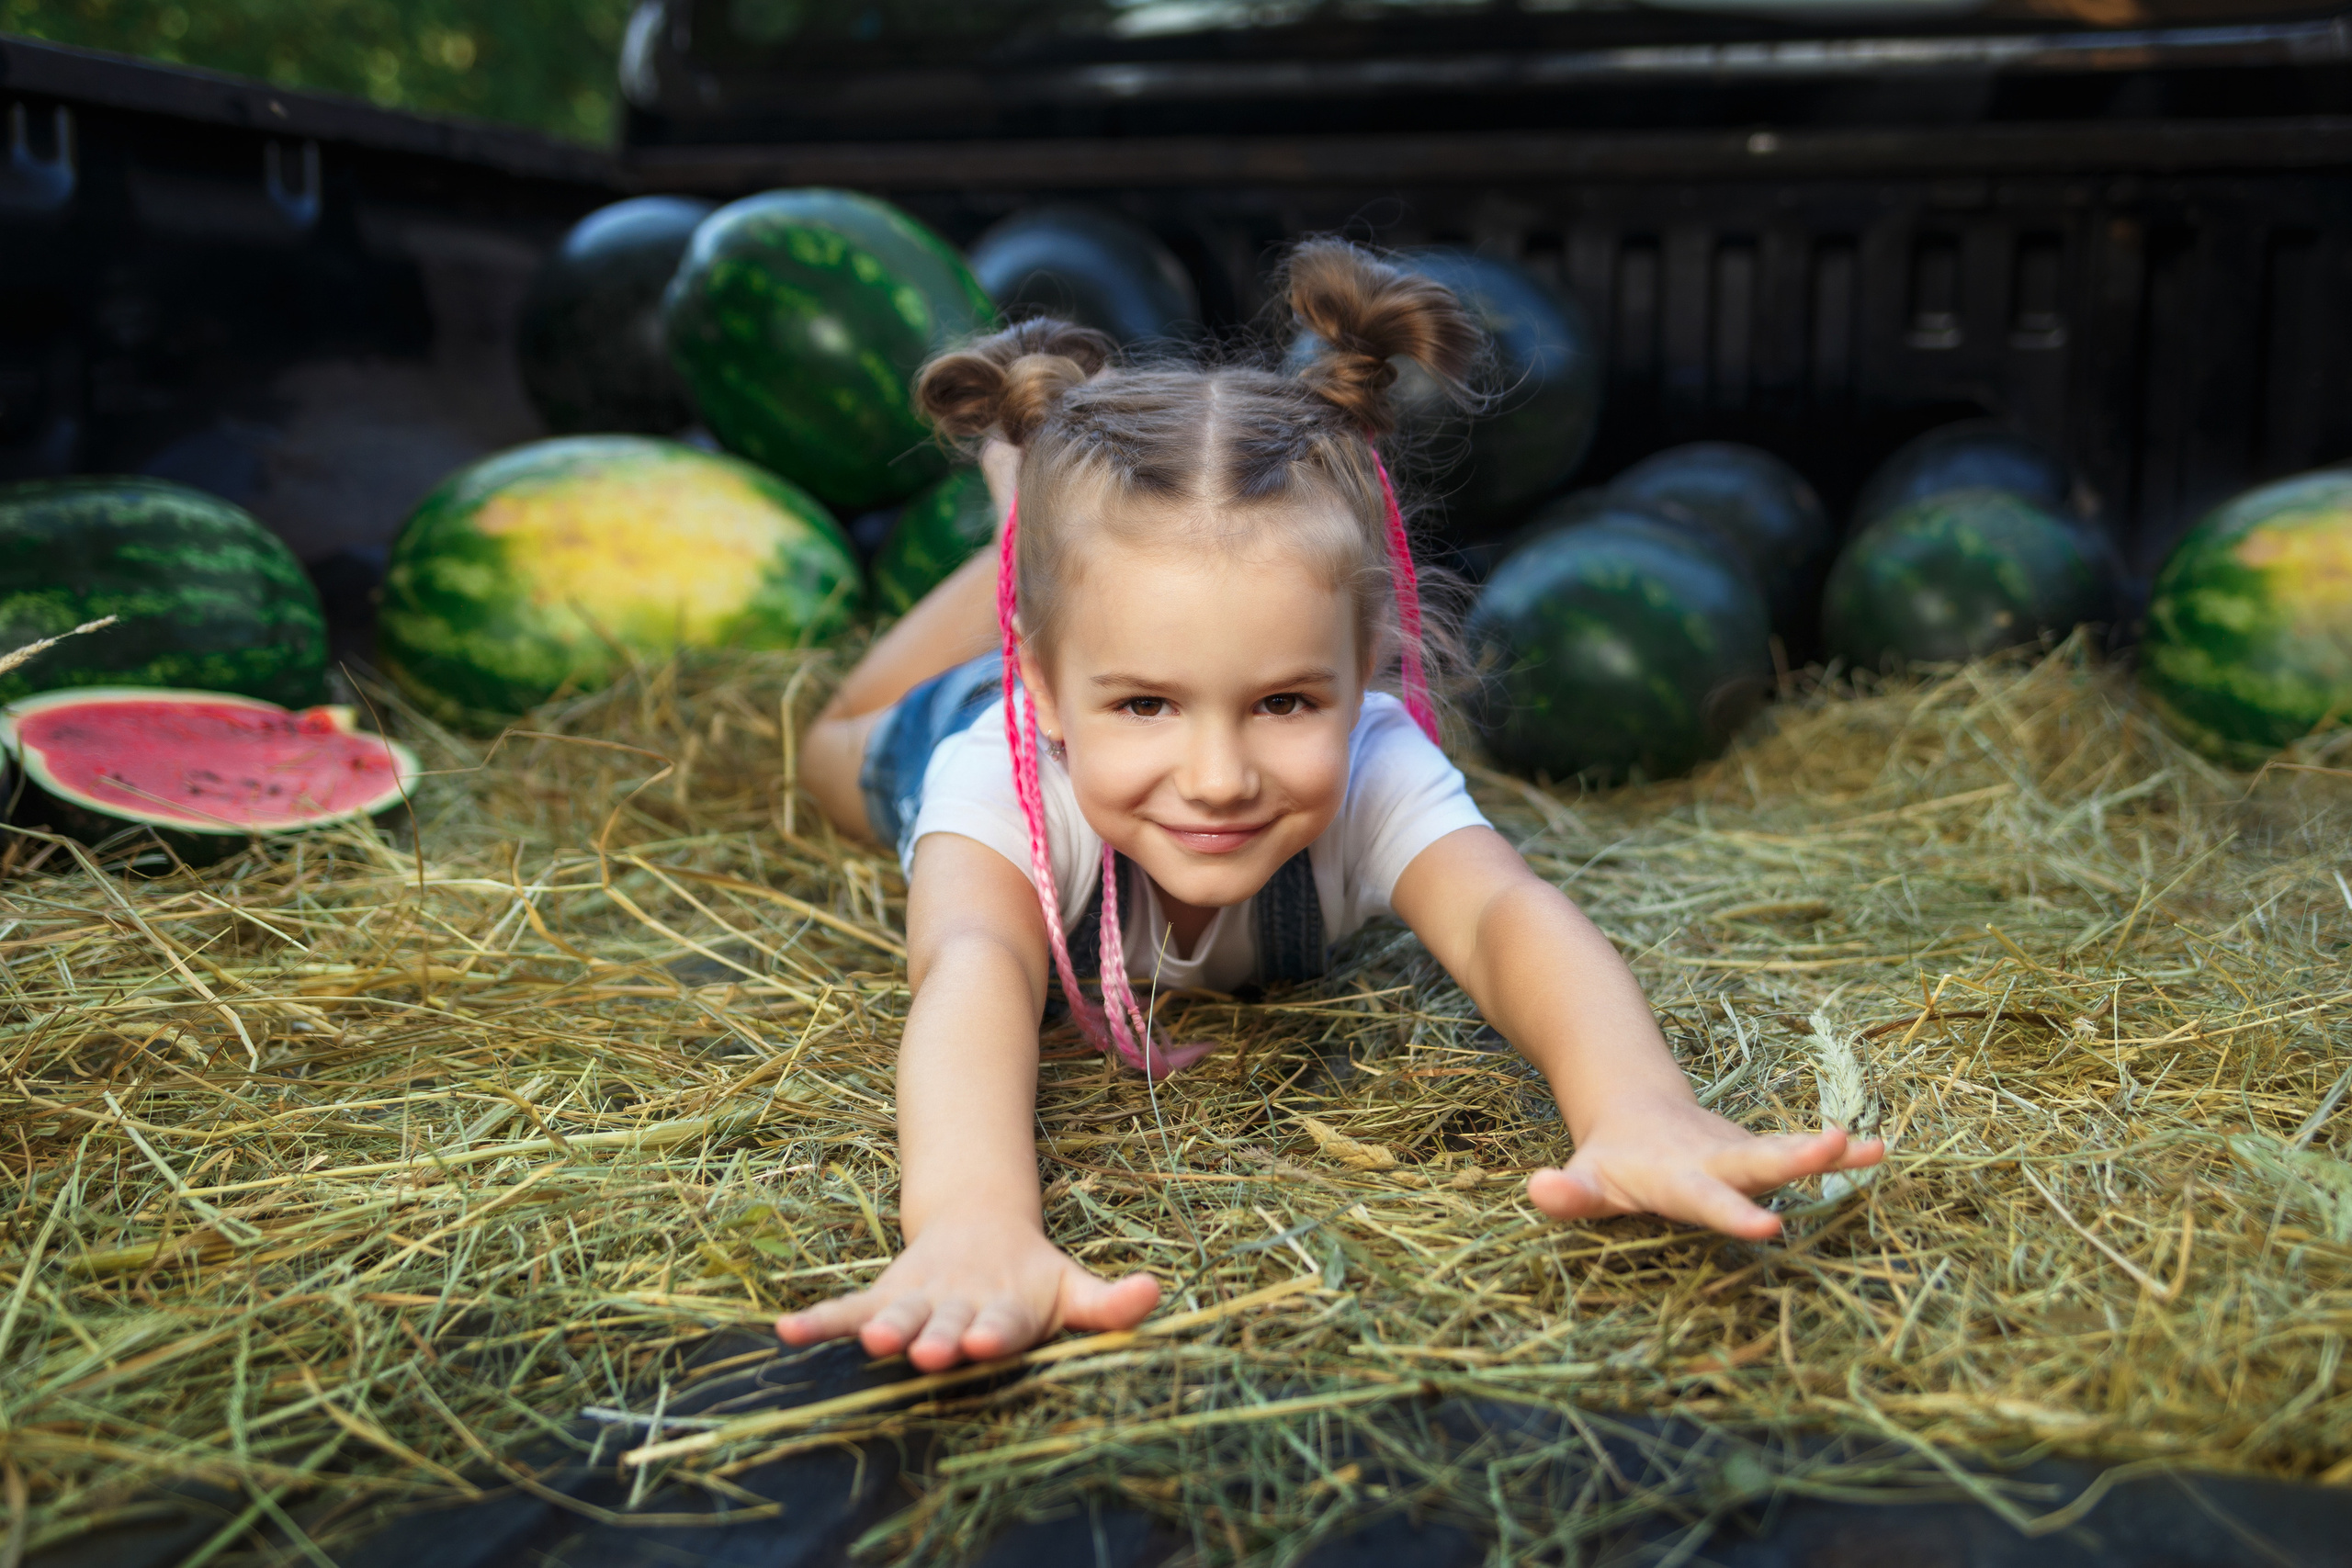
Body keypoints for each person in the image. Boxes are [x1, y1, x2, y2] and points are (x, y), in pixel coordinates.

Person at [782, 240, 1883, 1372]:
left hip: (1086, 668)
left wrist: (1635, 1105)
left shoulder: (1372, 756)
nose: (1218, 776)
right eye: (1150, 703)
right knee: (824, 746)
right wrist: (972, 1224)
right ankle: (1026, 537)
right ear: (1054, 691)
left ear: (1365, 671)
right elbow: (974, 971)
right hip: (967, 720)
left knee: (1131, 617)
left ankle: (1064, 561)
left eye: (1282, 702)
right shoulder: (993, 783)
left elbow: (1504, 916)